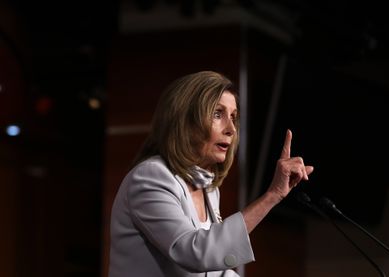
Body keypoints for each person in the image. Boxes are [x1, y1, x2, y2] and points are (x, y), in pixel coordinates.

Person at [108, 70, 314, 277]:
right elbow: (195, 253)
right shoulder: (151, 177)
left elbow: (215, 270)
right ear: (185, 120)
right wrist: (272, 195)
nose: (231, 129)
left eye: (233, 117)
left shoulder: (208, 188)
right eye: (218, 114)